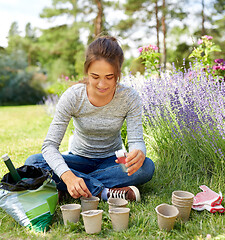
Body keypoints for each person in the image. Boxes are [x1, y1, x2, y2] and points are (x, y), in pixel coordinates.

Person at [25, 36, 155, 202]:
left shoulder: (130, 97)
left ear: (118, 73)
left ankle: (70, 189)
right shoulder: (73, 97)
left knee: (146, 167)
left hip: (113, 160)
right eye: (95, 76)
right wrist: (68, 176)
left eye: (109, 77)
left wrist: (139, 152)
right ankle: (103, 192)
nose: (102, 84)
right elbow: (49, 146)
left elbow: (137, 141)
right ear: (87, 72)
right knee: (33, 162)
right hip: (79, 159)